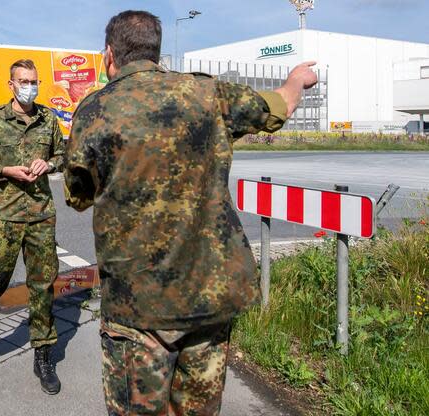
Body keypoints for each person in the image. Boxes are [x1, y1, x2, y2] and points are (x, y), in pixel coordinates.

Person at [64, 10, 317, 416]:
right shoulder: (209, 94)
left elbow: (78, 195)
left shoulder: (95, 111)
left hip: (138, 307)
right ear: (156, 51)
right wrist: (296, 80)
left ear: (109, 55)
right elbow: (279, 108)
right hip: (209, 298)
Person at [0, 59, 66, 395]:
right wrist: (5, 170)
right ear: (11, 84)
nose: (29, 86)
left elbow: (64, 155)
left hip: (40, 216)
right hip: (4, 217)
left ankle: (43, 354)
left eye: (34, 81)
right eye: (23, 81)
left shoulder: (48, 119)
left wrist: (49, 162)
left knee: (42, 286)